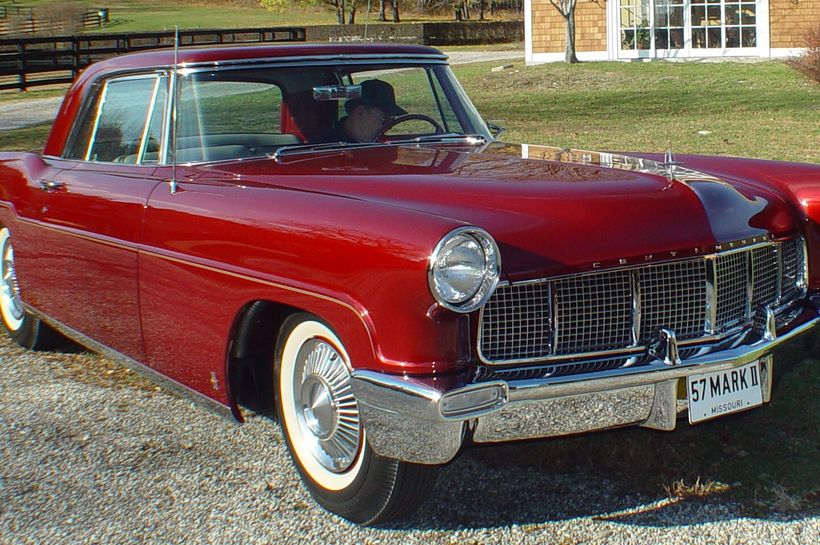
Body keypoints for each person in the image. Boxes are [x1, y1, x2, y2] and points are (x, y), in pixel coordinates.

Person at [321, 79, 407, 143]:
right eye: (385, 119)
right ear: (360, 111)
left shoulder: (382, 145)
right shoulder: (324, 147)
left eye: (391, 120)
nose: (389, 126)